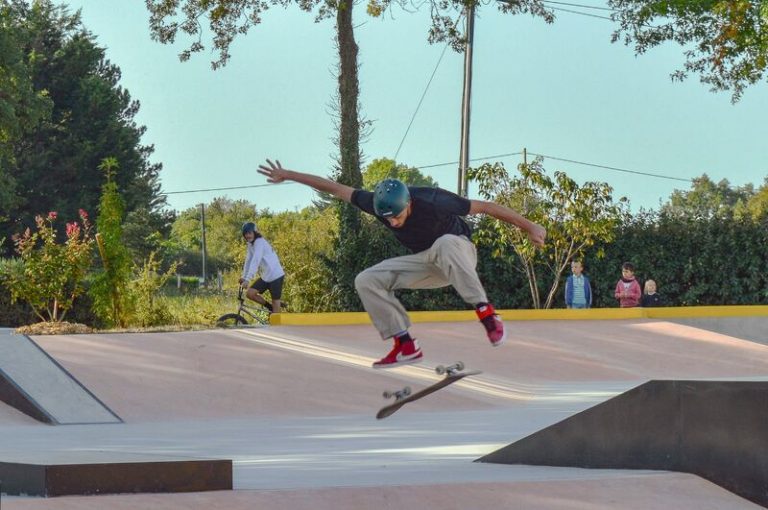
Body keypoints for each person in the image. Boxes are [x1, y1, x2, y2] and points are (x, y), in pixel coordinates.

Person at [257, 159, 547, 368]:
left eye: (397, 216)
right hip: (426, 264)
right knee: (366, 280)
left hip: (459, 252)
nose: (393, 222)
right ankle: (405, 344)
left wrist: (530, 226)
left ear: (408, 203)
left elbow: (485, 207)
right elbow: (335, 189)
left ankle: (487, 314)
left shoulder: (433, 199)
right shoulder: (376, 203)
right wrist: (289, 174)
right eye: (388, 219)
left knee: (444, 243)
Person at [239, 221, 285, 313]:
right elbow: (248, 261)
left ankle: (277, 316)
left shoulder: (259, 242)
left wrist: (248, 279)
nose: (247, 236)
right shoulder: (250, 244)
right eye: (245, 234)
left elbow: (255, 261)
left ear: (255, 232)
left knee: (276, 307)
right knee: (250, 293)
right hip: (266, 277)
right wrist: (244, 277)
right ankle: (270, 307)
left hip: (275, 276)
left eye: (249, 233)